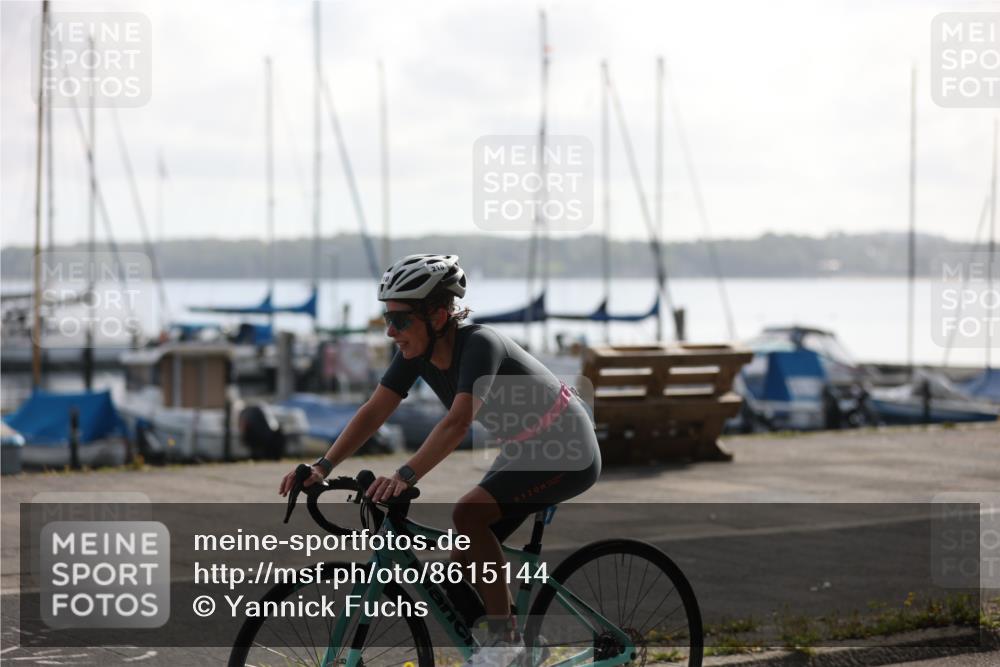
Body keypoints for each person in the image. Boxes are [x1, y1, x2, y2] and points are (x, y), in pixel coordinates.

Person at [279, 253, 601, 667]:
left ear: (439, 315)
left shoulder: (480, 345)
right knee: (457, 570)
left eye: (400, 320)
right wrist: (323, 466)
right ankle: (520, 648)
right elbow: (374, 411)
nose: (391, 331)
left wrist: (405, 474)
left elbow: (458, 421)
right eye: (387, 319)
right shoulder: (415, 354)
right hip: (523, 449)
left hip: (567, 447)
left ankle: (506, 643)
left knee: (468, 514)